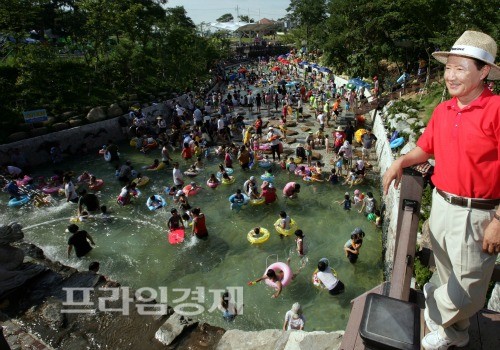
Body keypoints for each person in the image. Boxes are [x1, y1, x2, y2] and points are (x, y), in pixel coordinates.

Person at [382, 31, 500, 350]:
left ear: (484, 71)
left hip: (478, 214)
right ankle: (456, 332)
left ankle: (439, 314)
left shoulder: (496, 111)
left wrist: (499, 220)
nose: (450, 75)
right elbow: (425, 149)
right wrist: (399, 163)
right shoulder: (444, 110)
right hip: (441, 203)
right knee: (447, 271)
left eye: (461, 68)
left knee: (469, 289)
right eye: (448, 67)